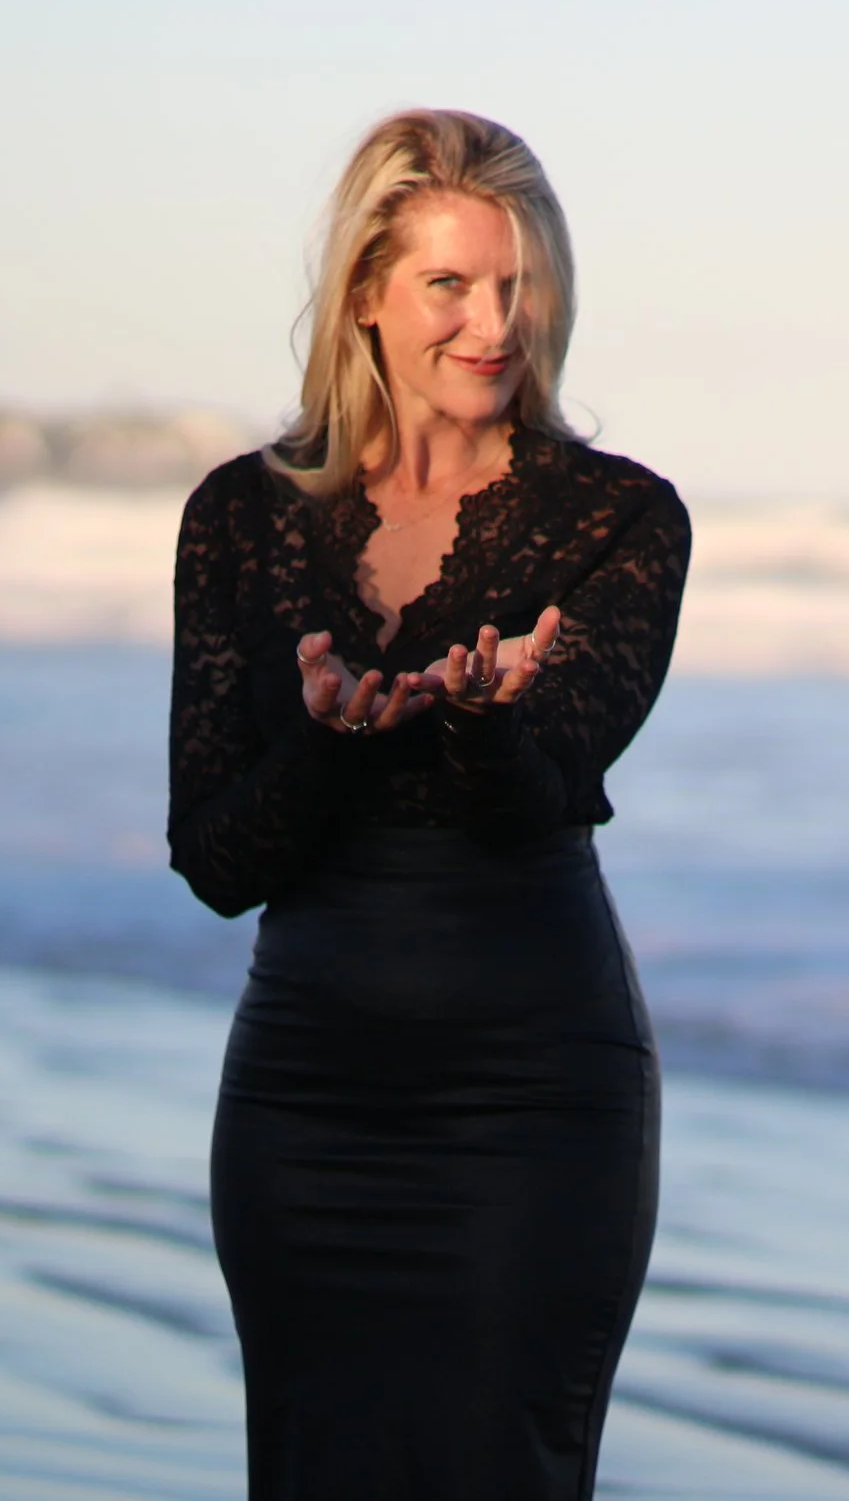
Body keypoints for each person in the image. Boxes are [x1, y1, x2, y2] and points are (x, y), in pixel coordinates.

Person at [166, 108, 688, 1499]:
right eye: (449, 284)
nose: (491, 321)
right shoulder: (241, 515)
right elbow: (216, 855)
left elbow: (548, 791)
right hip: (304, 1097)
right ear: (365, 298)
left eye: (517, 284)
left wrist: (482, 721)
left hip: (533, 1102)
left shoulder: (619, 519)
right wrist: (332, 744)